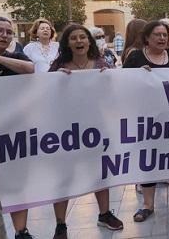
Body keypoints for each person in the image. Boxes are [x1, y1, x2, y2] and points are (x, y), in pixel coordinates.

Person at [48, 24, 125, 238]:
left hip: (96, 128)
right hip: (66, 130)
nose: (79, 41)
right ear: (67, 43)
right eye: (74, 38)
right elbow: (45, 94)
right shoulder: (58, 66)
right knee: (63, 177)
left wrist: (109, 78)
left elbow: (115, 93)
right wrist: (55, 81)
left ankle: (104, 214)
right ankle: (60, 224)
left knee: (99, 172)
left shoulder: (101, 63)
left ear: (89, 41)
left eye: (83, 37)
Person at [122, 20, 169, 221]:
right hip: (146, 119)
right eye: (157, 35)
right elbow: (122, 85)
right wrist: (138, 77)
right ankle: (147, 204)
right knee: (149, 159)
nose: (162, 38)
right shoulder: (135, 57)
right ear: (147, 38)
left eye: (165, 35)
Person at [0, 16, 35, 239]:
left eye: (9, 31)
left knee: (17, 183)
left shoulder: (16, 56)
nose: (5, 35)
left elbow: (29, 69)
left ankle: (21, 231)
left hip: (14, 132)